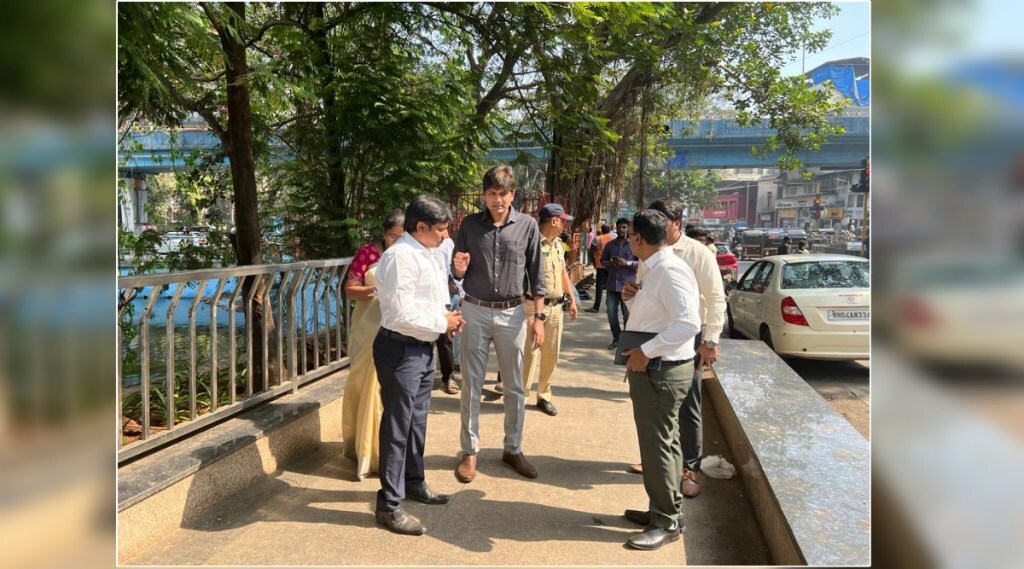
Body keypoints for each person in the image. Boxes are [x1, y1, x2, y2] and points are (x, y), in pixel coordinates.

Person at [372, 195, 465, 536]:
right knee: (397, 428)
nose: (445, 236)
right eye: (440, 229)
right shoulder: (400, 258)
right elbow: (399, 314)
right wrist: (443, 322)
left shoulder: (427, 252)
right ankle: (389, 505)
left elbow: (429, 299)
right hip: (400, 350)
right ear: (421, 227)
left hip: (421, 349)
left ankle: (413, 482)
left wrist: (446, 317)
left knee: (417, 423)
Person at [623, 198, 727, 499]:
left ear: (675, 224)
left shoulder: (689, 257)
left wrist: (710, 341)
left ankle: (689, 469)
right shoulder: (651, 260)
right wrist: (633, 298)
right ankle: (661, 472)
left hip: (679, 347)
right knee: (661, 430)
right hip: (657, 344)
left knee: (687, 408)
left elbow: (706, 306)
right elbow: (653, 303)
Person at [452, 165, 546, 483]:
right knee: (471, 384)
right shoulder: (468, 225)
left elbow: (537, 273)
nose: (497, 200)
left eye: (503, 193)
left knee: (516, 386)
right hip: (475, 309)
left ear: (512, 194)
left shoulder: (528, 227)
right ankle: (470, 451)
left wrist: (539, 318)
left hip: (513, 313)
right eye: (491, 193)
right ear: (484, 195)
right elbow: (457, 273)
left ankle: (513, 448)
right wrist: (459, 269)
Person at [620, 209, 701, 551]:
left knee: (658, 449)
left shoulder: (668, 270)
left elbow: (688, 323)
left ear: (638, 237)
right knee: (665, 444)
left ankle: (665, 521)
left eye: (630, 236)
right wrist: (635, 298)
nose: (628, 240)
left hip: (660, 371)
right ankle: (666, 510)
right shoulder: (653, 268)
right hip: (657, 370)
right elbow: (663, 314)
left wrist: (647, 351)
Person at [341, 209, 405, 480]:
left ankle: (382, 453)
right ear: (384, 233)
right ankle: (362, 448)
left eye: (402, 238)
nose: (396, 242)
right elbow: (349, 289)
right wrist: (374, 290)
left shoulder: (406, 256)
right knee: (362, 385)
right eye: (392, 236)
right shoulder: (369, 254)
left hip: (395, 331)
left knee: (384, 391)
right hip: (368, 329)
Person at [522, 203, 579, 417]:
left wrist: (572, 299)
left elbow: (563, 273)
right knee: (529, 354)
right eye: (563, 220)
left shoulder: (557, 244)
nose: (565, 224)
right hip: (531, 307)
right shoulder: (531, 244)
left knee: (551, 355)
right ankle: (522, 396)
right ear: (553, 221)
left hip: (556, 308)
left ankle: (543, 396)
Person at [600, 218, 638, 350]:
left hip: (628, 286)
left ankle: (627, 342)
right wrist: (610, 263)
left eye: (624, 227)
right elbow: (602, 261)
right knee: (611, 313)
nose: (621, 230)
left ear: (628, 229)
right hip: (612, 284)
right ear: (615, 228)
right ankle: (616, 338)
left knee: (628, 316)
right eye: (619, 227)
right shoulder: (610, 245)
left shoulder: (634, 245)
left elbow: (641, 264)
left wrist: (627, 263)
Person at [435, 229, 460, 395]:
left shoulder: (448, 243)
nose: (444, 234)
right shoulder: (414, 248)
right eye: (440, 228)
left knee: (445, 339)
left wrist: (457, 291)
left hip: (445, 296)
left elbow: (452, 270)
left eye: (446, 228)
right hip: (426, 298)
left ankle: (448, 376)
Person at [585, 224, 614, 313]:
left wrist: (593, 262)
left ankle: (596, 307)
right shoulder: (613, 239)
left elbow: (591, 252)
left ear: (601, 230)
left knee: (599, 287)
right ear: (609, 230)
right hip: (610, 265)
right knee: (610, 287)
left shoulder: (597, 239)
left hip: (600, 265)